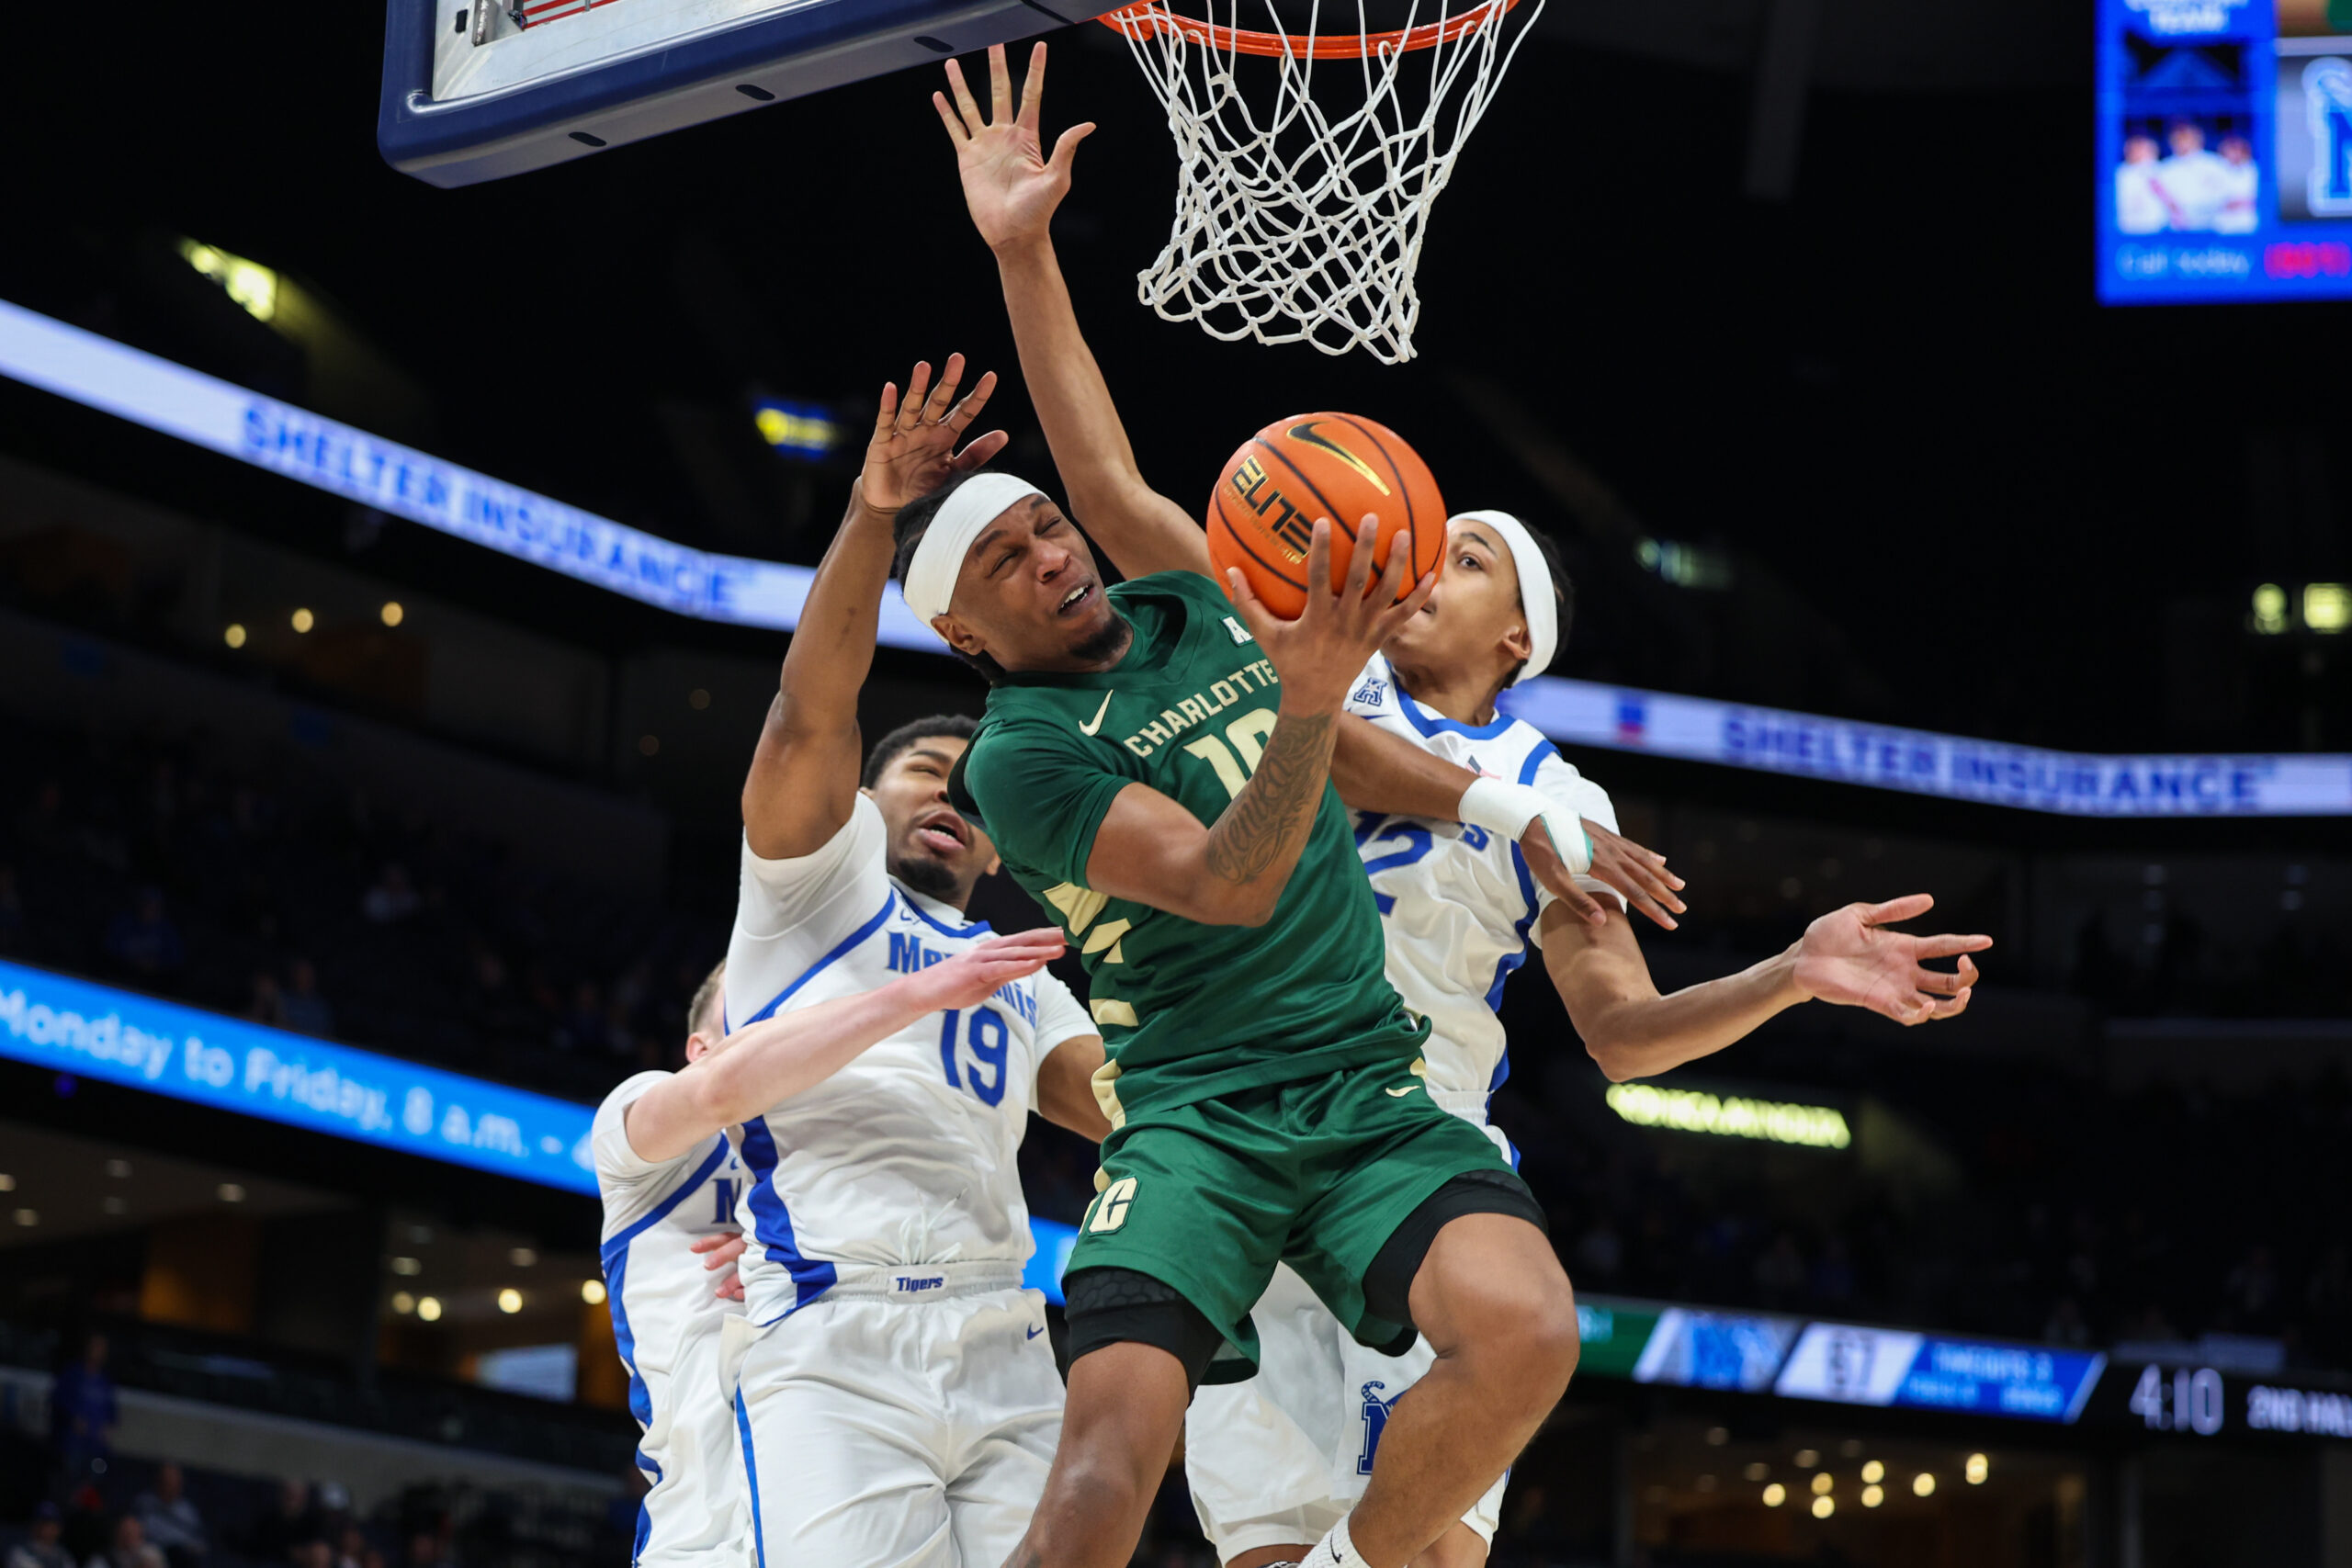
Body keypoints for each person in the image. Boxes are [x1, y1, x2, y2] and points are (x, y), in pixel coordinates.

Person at [929, 43, 1994, 1568]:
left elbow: (1624, 1040)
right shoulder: (1293, 662)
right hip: (1233, 1120)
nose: (1429, 562)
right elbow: (1108, 481)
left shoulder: (1564, 798)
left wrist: (1790, 973)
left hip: (1404, 1147)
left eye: (1473, 559)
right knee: (1250, 1534)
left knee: (1433, 1543)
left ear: (1519, 641)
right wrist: (1025, 250)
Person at [721, 355, 1114, 1568]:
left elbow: (1119, 1103)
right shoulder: (805, 887)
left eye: (972, 791)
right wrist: (872, 513)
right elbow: (807, 708)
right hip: (837, 1330)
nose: (951, 795)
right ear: (858, 799)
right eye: (920, 775)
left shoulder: (1022, 965)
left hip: (1006, 1337)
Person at [595, 931, 1064, 1565]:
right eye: (771, 1014)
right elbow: (715, 1091)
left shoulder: (849, 1171)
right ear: (703, 1046)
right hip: (708, 1538)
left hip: (874, 1491)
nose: (805, 1029)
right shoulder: (644, 1125)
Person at [47, 1336, 116, 1495]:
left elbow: (111, 1413)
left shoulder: (104, 1381)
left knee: (90, 1490)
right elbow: (58, 1401)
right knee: (65, 1487)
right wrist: (73, 1420)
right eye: (96, 1347)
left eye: (102, 1348)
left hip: (95, 1448)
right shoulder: (72, 1374)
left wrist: (106, 1430)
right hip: (71, 1446)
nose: (99, 1352)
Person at [2155, 118, 2231, 230]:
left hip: (2214, 226)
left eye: (2186, 137)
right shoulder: (2164, 169)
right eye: (2178, 138)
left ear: (2198, 138)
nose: (2182, 142)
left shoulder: (2215, 164)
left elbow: (2226, 196)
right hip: (2177, 229)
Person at [131, 1462, 206, 1567]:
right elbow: (134, 1531)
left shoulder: (188, 1510)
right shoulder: (145, 1502)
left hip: (179, 1555)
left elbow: (198, 1540)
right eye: (166, 1481)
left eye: (174, 1482)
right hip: (151, 1549)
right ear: (159, 1481)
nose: (170, 1485)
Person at [2116, 132, 2168, 234]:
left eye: (2142, 147)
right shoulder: (2119, 174)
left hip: (2158, 230)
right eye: (2134, 148)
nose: (2138, 151)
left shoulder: (2163, 171)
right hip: (2127, 230)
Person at [2216, 132, 2259, 233]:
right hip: (2223, 223)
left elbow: (2258, 198)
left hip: (2249, 222)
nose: (2235, 154)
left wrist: (2241, 202)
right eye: (2231, 150)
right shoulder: (2216, 169)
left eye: (2237, 150)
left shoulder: (2254, 170)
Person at [7, 1504, 72, 1568]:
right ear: (34, 1525)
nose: (46, 1529)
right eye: (42, 1523)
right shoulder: (19, 1554)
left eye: (51, 1524)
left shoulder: (63, 1555)